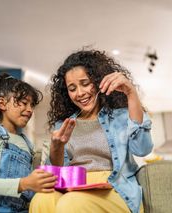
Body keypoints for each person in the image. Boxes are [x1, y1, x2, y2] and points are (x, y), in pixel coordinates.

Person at [29, 49, 153, 213]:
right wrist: (56, 148)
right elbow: (56, 175)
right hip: (75, 188)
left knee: (71, 204)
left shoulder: (121, 116)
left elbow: (142, 149)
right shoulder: (63, 125)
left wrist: (131, 93)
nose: (80, 93)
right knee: (41, 200)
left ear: (98, 81)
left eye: (85, 83)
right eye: (72, 88)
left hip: (114, 190)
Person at [0, 72, 57, 213]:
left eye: (32, 105)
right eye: (24, 103)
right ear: (2, 103)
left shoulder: (27, 144)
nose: (29, 110)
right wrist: (24, 183)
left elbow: (29, 188)